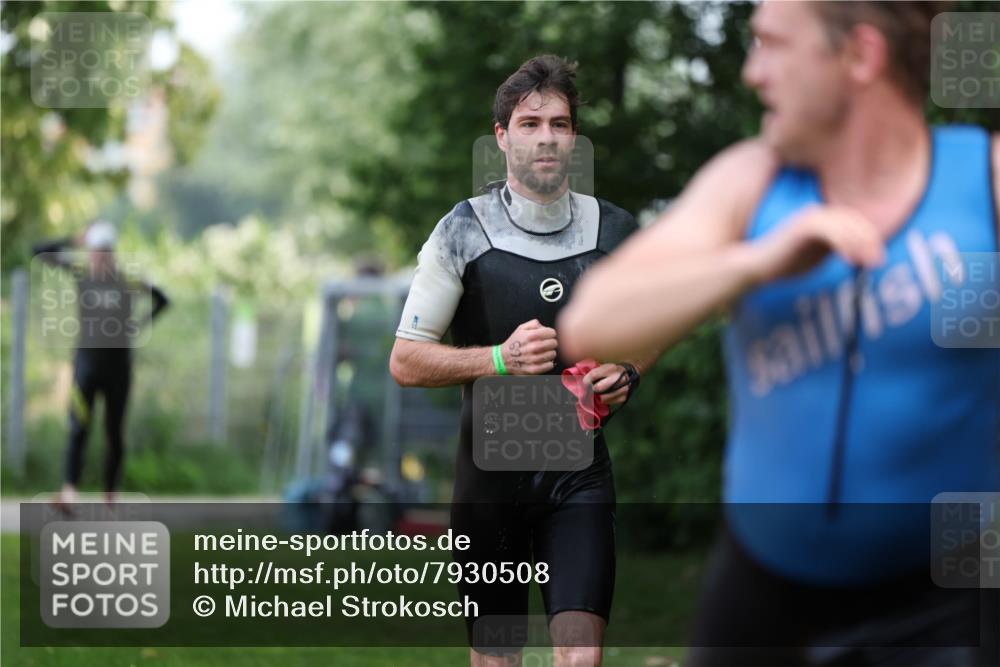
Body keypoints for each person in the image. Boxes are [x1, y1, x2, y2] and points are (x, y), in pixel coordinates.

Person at [558, 2, 999, 665]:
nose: (751, 73)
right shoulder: (752, 180)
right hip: (765, 598)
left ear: (859, 56)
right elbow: (594, 319)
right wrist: (756, 261)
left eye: (772, 44)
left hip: (949, 596)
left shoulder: (983, 183)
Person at [390, 55, 649, 667]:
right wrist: (499, 360)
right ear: (502, 136)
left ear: (574, 137)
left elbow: (662, 320)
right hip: (490, 482)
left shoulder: (615, 231)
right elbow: (406, 360)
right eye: (530, 124)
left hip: (579, 475)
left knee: (582, 658)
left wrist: (630, 368)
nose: (547, 138)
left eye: (559, 124)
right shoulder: (462, 232)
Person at [34, 220, 170, 511]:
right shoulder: (82, 274)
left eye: (105, 252)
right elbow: (40, 251)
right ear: (90, 252)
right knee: (78, 428)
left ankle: (111, 495)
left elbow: (162, 299)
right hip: (85, 368)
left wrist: (139, 324)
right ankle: (69, 492)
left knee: (114, 431)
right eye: (96, 252)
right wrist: (74, 238)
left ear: (113, 253)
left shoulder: (128, 280)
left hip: (118, 370)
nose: (100, 257)